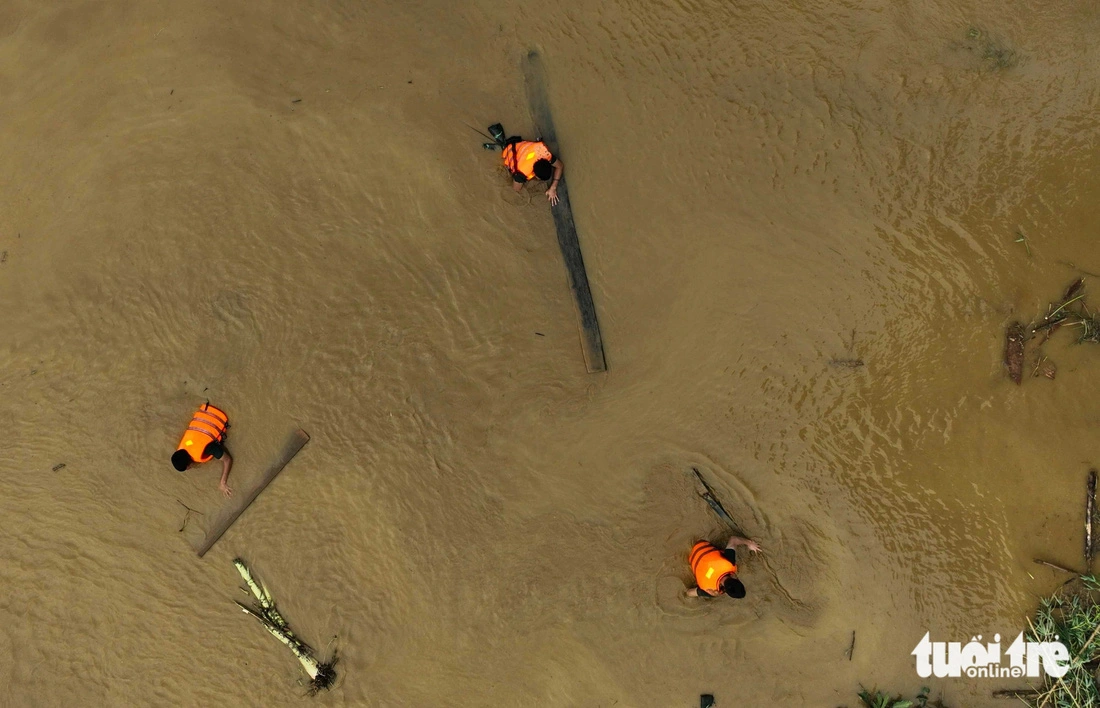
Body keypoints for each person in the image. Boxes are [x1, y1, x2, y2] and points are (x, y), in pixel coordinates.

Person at [171, 402, 233, 497]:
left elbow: (228, 460)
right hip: (207, 410)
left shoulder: (207, 448)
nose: (188, 469)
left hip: (221, 415)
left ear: (188, 466)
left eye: (187, 468)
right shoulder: (185, 444)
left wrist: (223, 482)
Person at [686, 535, 762, 598]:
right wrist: (715, 593)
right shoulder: (709, 589)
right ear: (725, 590)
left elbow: (733, 539)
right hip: (690, 558)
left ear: (735, 578)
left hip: (700, 544)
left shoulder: (728, 563)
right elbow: (689, 593)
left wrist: (749, 543)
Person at [501, 137, 565, 206]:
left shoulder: (545, 154)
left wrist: (553, 187)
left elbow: (560, 166)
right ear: (534, 174)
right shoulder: (522, 172)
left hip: (520, 147)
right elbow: (516, 189)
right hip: (509, 152)